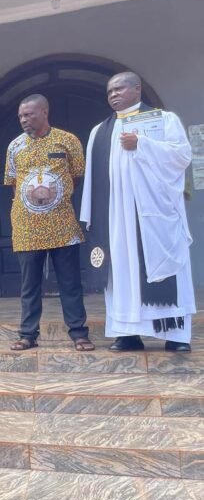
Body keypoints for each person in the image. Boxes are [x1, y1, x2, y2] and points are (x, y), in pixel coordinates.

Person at [81, 71, 196, 353]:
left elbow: (182, 156)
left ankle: (176, 335)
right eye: (109, 91)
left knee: (164, 269)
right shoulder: (99, 132)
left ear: (137, 89)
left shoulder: (163, 120)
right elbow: (92, 180)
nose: (114, 95)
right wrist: (90, 217)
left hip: (154, 215)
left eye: (120, 89)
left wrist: (142, 144)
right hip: (115, 217)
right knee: (120, 273)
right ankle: (127, 334)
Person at [4, 95, 93, 352]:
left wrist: (54, 201)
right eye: (21, 116)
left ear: (44, 111)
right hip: (27, 227)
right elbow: (13, 184)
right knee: (29, 285)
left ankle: (79, 333)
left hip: (62, 224)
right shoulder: (14, 146)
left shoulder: (67, 140)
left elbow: (76, 176)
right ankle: (28, 334)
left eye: (29, 114)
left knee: (70, 282)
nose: (24, 120)